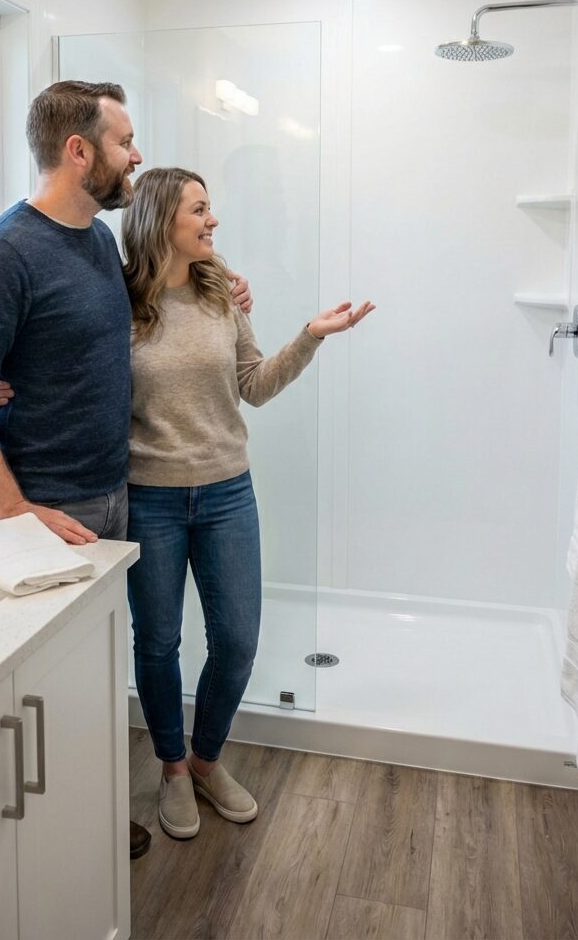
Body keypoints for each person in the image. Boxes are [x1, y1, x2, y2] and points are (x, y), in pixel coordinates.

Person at [0, 81, 252, 860]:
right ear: (79, 151)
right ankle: (47, 853)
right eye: (123, 142)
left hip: (115, 492)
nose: (136, 157)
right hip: (44, 507)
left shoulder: (97, 244)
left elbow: (105, 341)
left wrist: (228, 289)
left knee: (90, 679)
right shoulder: (4, 251)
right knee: (40, 689)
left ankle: (90, 818)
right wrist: (13, 510)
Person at [119, 167, 374, 840]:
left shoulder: (220, 294)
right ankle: (172, 769)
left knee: (236, 642)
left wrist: (311, 334)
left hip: (228, 491)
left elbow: (254, 386)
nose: (213, 220)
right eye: (200, 209)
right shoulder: (117, 301)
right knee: (160, 643)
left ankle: (206, 761)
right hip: (150, 498)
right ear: (160, 221)